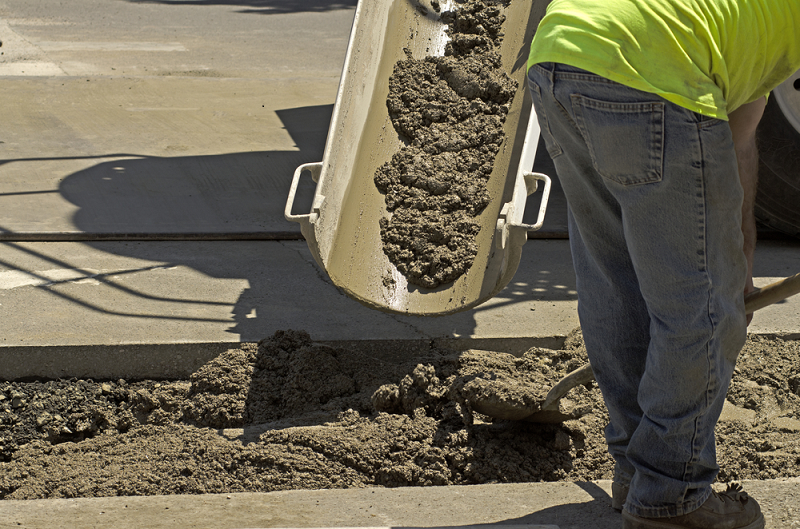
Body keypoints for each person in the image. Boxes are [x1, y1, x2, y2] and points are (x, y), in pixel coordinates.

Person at [525, 0, 800, 528]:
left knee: (616, 283)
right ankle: (671, 494)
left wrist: (739, 260)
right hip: (656, 72)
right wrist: (716, 291)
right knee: (698, 312)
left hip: (558, 57)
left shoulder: (743, 32)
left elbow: (738, 137)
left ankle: (637, 476)